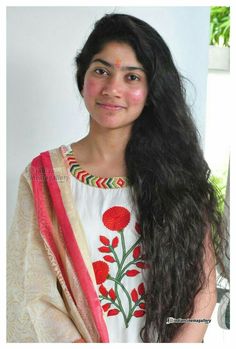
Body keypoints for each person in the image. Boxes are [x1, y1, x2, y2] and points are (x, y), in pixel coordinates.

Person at [7, 13, 229, 343]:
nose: (113, 88)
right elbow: (33, 290)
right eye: (101, 71)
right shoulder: (44, 177)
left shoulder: (179, 176)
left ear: (151, 88)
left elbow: (203, 290)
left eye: (132, 77)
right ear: (83, 76)